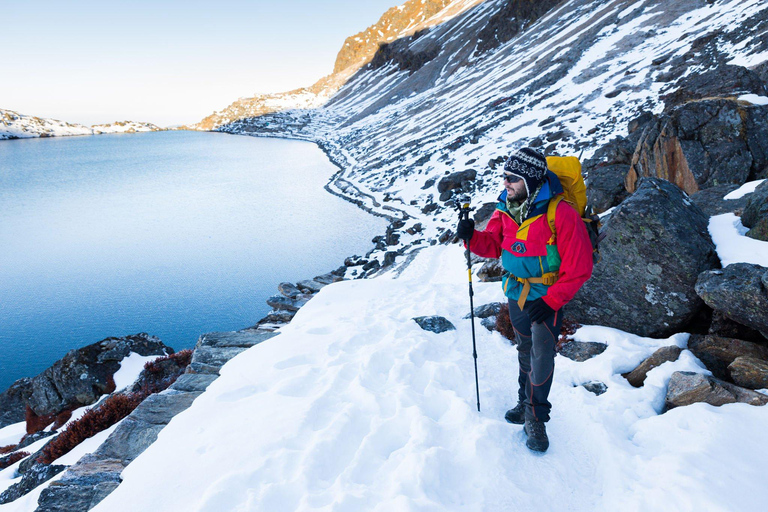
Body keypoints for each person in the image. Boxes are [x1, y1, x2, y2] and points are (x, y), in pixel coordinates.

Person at [456, 147, 593, 453]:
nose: (505, 183)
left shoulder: (562, 214)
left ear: (530, 180)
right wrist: (471, 235)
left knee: (542, 355)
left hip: (546, 297)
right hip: (516, 293)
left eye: (512, 178)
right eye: (504, 176)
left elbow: (581, 267)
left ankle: (537, 419)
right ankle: (524, 402)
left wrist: (553, 300)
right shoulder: (505, 206)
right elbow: (493, 246)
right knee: (524, 349)